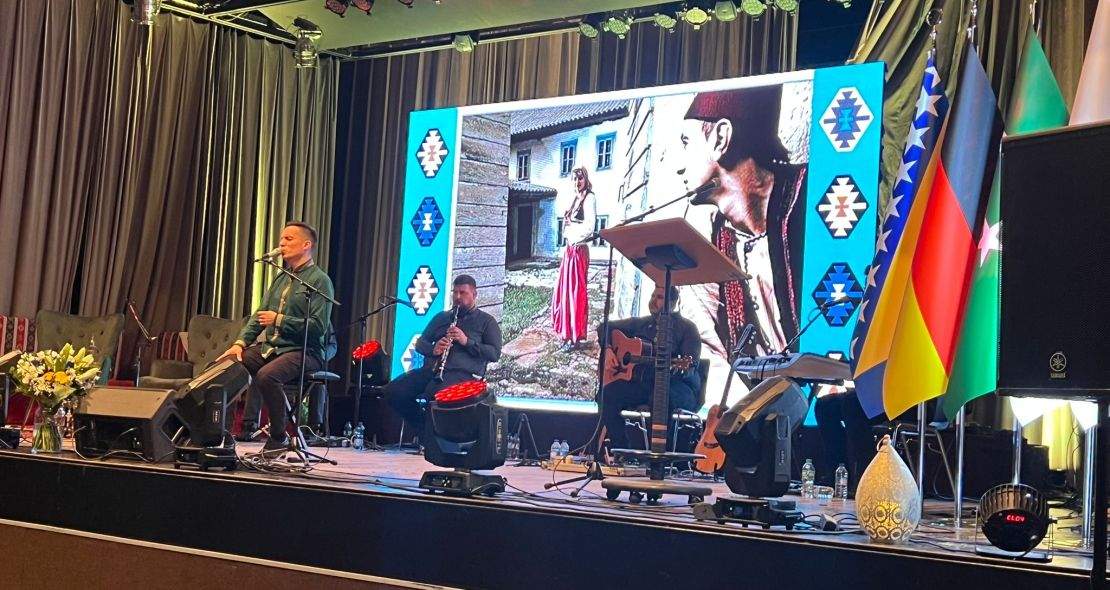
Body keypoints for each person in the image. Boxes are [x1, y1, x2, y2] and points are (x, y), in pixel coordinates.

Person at [674, 84, 806, 364]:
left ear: (720, 138)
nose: (679, 166)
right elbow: (706, 346)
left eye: (686, 143)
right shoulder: (714, 239)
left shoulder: (814, 197)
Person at [222, 221, 334, 456]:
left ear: (306, 245)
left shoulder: (319, 280)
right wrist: (239, 344)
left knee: (267, 375)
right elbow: (259, 316)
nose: (281, 244)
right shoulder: (281, 278)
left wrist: (280, 320)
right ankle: (222, 433)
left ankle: (279, 437)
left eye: (288, 239)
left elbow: (318, 327)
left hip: (305, 351)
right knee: (228, 365)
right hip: (273, 349)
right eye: (281, 239)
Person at [383, 275, 503, 435]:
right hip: (431, 372)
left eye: (463, 293)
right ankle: (423, 429)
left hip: (464, 376)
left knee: (435, 393)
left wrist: (466, 341)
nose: (458, 297)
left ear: (474, 294)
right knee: (394, 391)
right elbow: (420, 344)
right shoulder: (442, 318)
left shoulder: (486, 321)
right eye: (455, 292)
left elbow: (494, 353)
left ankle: (432, 436)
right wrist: (434, 349)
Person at [597, 285, 701, 455]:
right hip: (645, 383)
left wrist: (674, 367)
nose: (653, 300)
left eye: (659, 297)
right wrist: (608, 349)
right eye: (653, 296)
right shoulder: (642, 323)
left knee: (660, 397)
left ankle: (659, 456)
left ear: (673, 302)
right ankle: (622, 451)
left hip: (679, 387)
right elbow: (604, 327)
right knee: (608, 393)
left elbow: (690, 366)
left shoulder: (687, 328)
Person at [551, 166, 597, 352]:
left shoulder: (590, 198)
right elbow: (567, 226)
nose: (578, 182)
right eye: (575, 179)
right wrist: (568, 229)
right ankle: (567, 333)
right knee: (564, 292)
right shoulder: (575, 198)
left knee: (575, 294)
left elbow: (590, 228)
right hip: (570, 250)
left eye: (580, 178)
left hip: (579, 250)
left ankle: (574, 337)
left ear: (586, 179)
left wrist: (572, 231)